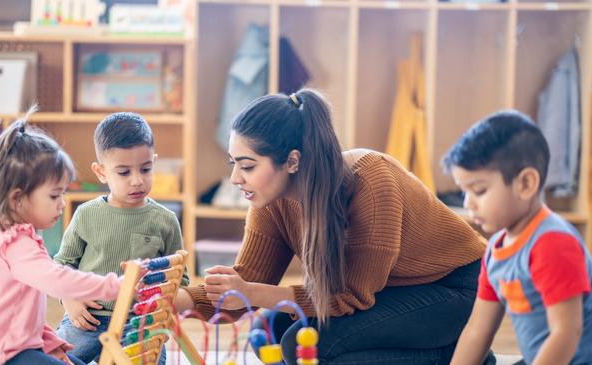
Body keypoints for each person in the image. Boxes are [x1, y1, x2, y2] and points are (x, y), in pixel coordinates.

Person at [173, 89, 488, 364]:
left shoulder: (372, 183)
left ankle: (450, 355)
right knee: (266, 334)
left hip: (456, 288)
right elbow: (248, 285)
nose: (235, 178)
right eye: (234, 164)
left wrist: (251, 291)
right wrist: (178, 300)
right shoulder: (270, 199)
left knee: (303, 344)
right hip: (387, 290)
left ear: (292, 162)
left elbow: (348, 296)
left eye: (248, 166)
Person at [0, 111, 122, 365]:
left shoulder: (21, 237)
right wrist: (113, 286)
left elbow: (19, 310)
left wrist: (48, 341)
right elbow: (57, 280)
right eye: (54, 196)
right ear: (17, 199)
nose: (62, 204)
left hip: (12, 346)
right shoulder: (16, 243)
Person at [443, 110, 592, 365]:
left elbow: (566, 333)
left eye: (479, 190)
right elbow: (478, 331)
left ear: (526, 184)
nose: (469, 203)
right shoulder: (496, 250)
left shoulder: (553, 244)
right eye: (464, 191)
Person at [54, 112, 189, 364]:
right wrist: (69, 300)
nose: (137, 180)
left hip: (140, 323)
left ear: (154, 162)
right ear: (101, 172)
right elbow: (62, 266)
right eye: (124, 172)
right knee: (52, 358)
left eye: (146, 169)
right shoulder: (86, 214)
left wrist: (160, 310)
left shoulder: (166, 220)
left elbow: (180, 278)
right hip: (88, 318)